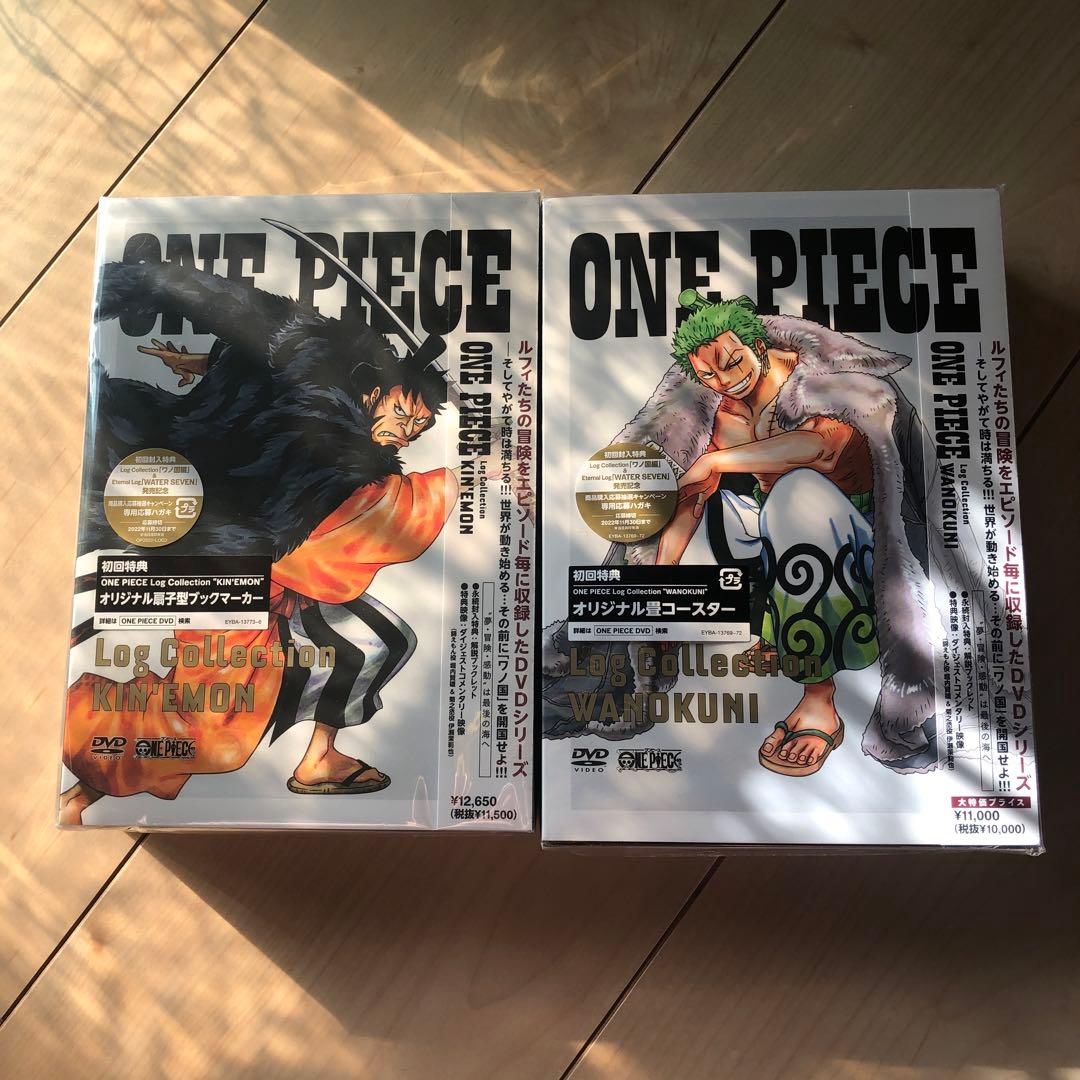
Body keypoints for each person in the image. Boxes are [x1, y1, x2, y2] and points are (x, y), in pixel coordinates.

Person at [60, 256, 456, 823]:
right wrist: (465, 478)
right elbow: (383, 518)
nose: (405, 433)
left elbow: (245, 341)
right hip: (224, 576)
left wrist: (200, 361)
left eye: (418, 427)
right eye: (401, 412)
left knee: (378, 640)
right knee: (206, 732)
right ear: (372, 391)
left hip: (262, 577)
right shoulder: (333, 450)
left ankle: (318, 758)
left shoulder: (321, 400)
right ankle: (80, 776)